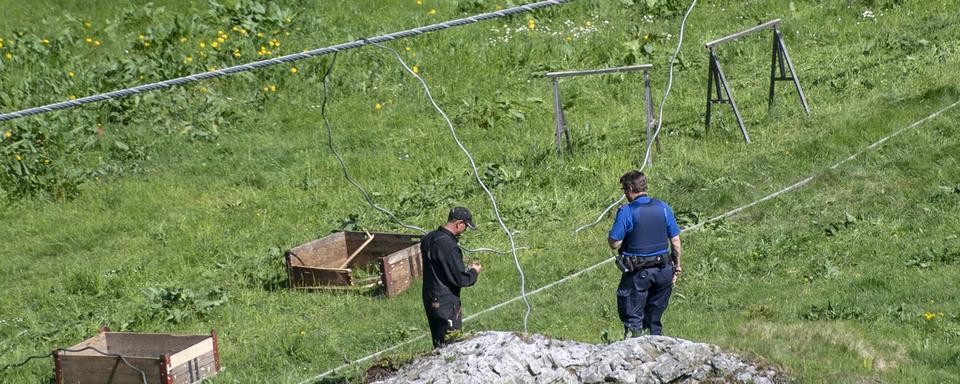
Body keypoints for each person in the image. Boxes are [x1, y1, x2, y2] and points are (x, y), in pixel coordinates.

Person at [608, 170, 682, 337]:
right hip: (664, 271)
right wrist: (676, 266)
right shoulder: (663, 207)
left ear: (630, 189)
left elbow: (614, 243)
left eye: (624, 190)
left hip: (638, 274)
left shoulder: (627, 211)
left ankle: (635, 356)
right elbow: (676, 242)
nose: (625, 194)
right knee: (654, 320)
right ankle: (657, 351)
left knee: (633, 321)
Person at [420, 206, 483, 348]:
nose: (465, 229)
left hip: (430, 297)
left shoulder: (429, 238)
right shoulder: (449, 246)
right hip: (446, 301)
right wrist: (473, 271)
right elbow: (461, 279)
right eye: (465, 226)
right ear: (459, 223)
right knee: (451, 343)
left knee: (438, 341)